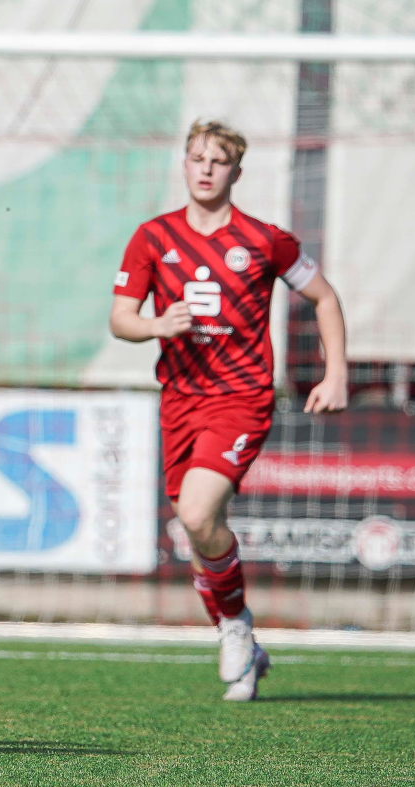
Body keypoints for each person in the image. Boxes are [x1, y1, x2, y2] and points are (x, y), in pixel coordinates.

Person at [108, 119, 350, 702]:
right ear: (185, 166)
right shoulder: (152, 237)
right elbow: (121, 318)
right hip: (180, 400)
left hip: (242, 399)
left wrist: (336, 371)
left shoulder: (266, 240)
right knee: (199, 531)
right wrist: (155, 326)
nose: (206, 169)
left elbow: (323, 297)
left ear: (236, 171)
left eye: (218, 161)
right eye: (196, 158)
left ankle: (234, 628)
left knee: (196, 515)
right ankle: (239, 632)